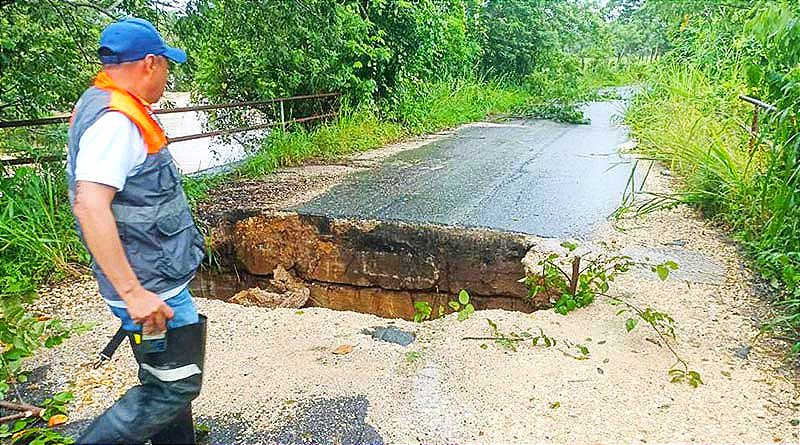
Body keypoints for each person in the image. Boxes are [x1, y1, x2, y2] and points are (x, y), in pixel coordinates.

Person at [67, 17, 207, 444]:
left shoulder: (101, 101)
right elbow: (90, 204)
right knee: (175, 384)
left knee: (166, 369)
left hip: (152, 276)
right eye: (167, 65)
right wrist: (133, 294)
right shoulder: (117, 122)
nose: (167, 75)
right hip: (150, 288)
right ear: (150, 63)